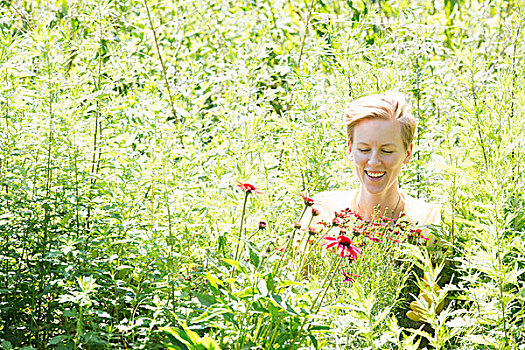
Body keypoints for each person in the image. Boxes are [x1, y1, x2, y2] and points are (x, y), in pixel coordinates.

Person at [301, 92, 439, 239]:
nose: (374, 161)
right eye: (364, 149)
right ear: (350, 149)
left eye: (387, 151)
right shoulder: (321, 213)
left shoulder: (429, 224)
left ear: (408, 152)